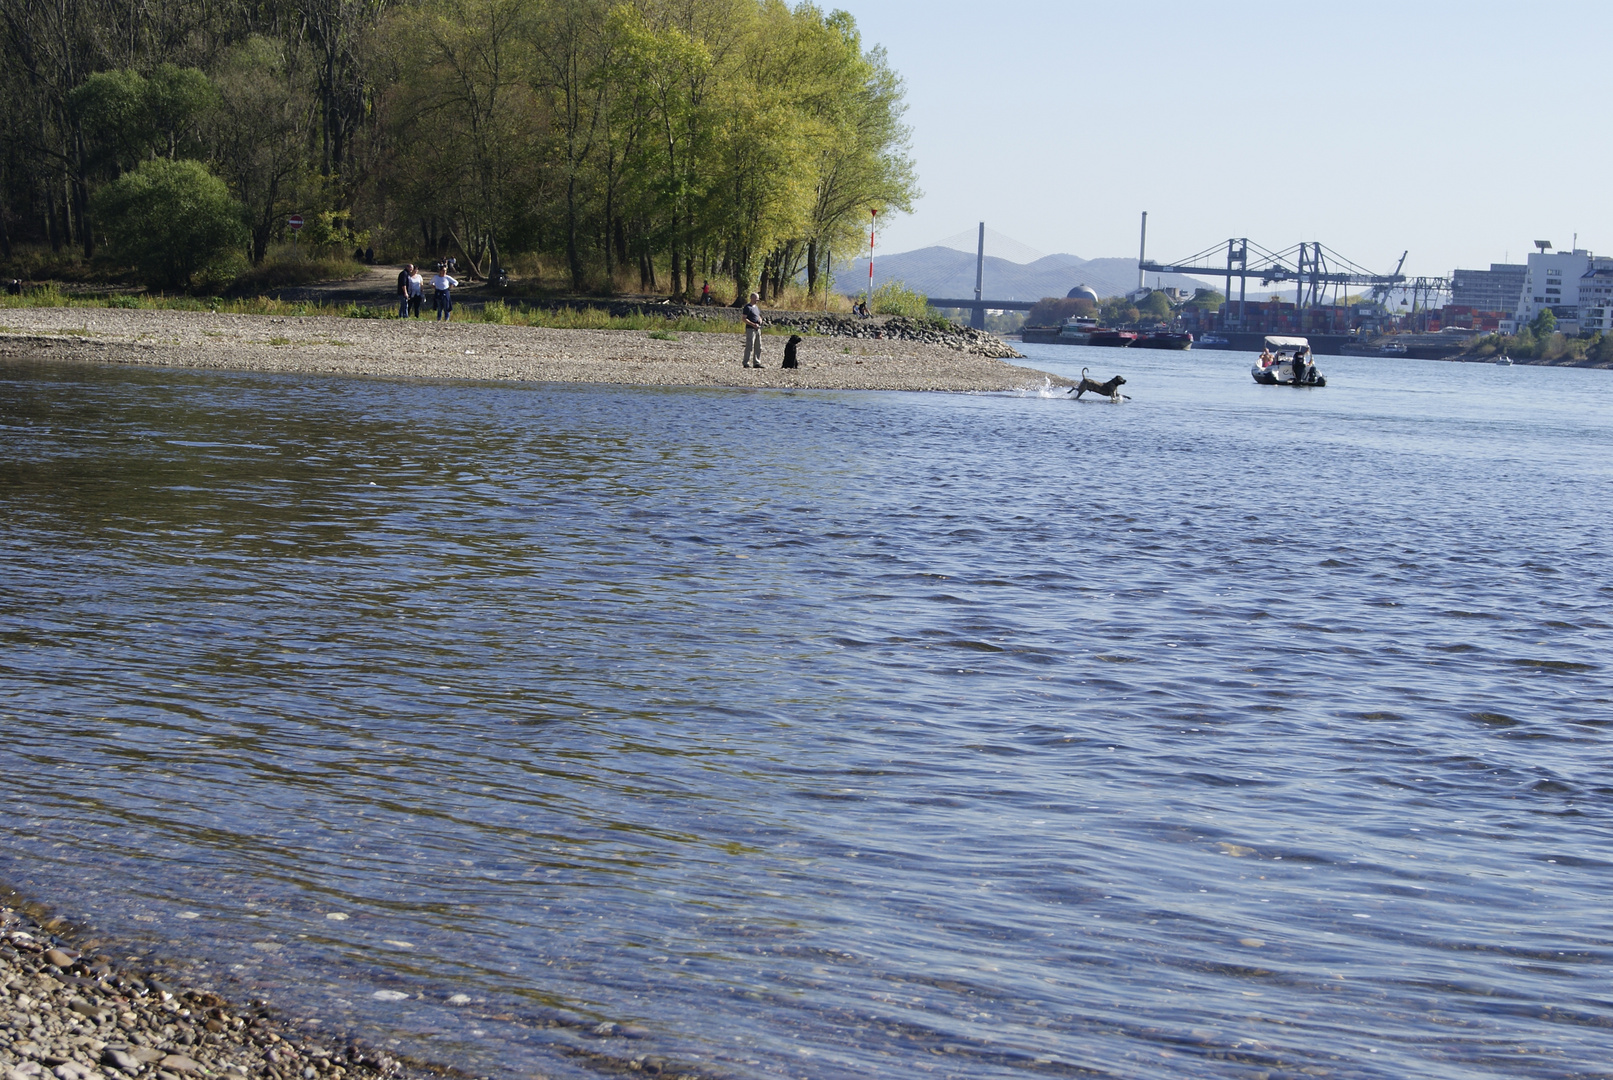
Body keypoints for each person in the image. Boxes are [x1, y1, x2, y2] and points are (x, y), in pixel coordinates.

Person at [741, 291, 763, 367]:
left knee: (758, 346)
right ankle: (745, 362)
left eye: (758, 299)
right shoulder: (747, 307)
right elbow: (744, 319)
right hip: (750, 329)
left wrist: (760, 319)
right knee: (749, 346)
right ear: (752, 298)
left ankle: (757, 362)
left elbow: (758, 316)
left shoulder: (756, 308)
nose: (757, 300)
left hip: (758, 329)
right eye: (756, 299)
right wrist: (753, 324)